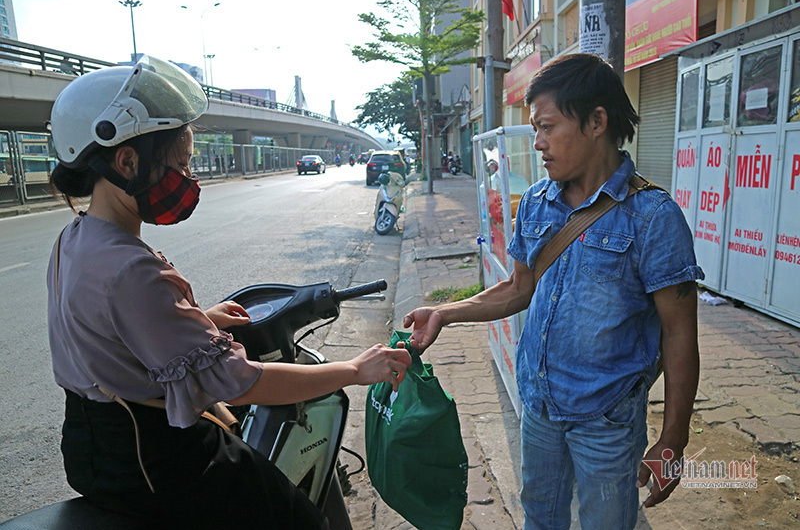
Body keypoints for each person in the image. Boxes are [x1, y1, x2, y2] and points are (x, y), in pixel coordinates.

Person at [47, 56, 411, 530]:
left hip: (91, 447)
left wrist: (201, 319)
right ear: (127, 162)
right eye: (179, 165)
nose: (188, 178)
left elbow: (104, 331)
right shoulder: (133, 269)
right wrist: (354, 370)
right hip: (157, 458)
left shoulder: (75, 239)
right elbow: (242, 384)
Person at [403, 53, 703, 530]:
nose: (538, 143)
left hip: (606, 420)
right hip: (538, 406)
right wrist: (446, 313)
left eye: (547, 127)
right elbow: (519, 287)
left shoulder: (654, 217)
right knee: (541, 520)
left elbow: (680, 333)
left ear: (597, 121)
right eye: (535, 129)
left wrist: (674, 438)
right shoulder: (538, 202)